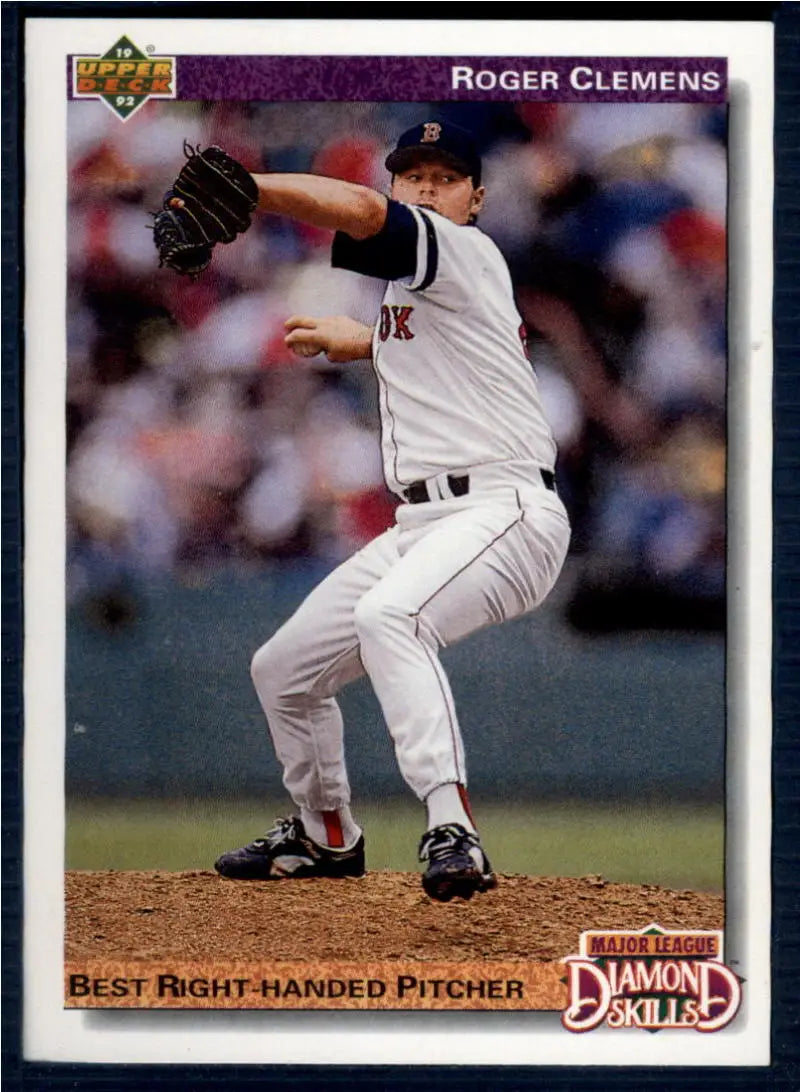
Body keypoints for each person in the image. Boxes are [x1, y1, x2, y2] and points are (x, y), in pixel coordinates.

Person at [214, 120, 571, 901]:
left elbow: (361, 213)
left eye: (446, 179)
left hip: (505, 512)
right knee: (283, 670)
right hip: (424, 525)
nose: (426, 190)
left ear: (475, 199)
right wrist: (368, 341)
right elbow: (448, 354)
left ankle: (454, 827)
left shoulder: (466, 249)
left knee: (390, 619)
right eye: (413, 176)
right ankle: (325, 833)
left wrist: (251, 189)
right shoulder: (421, 293)